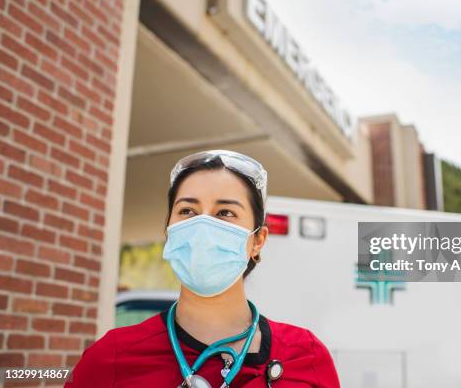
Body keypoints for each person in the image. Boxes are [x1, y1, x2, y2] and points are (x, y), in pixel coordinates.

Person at [65, 150, 340, 387]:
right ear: (169, 231)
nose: (202, 228)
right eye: (187, 211)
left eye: (225, 213)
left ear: (258, 240)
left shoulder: (306, 356)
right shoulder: (110, 359)